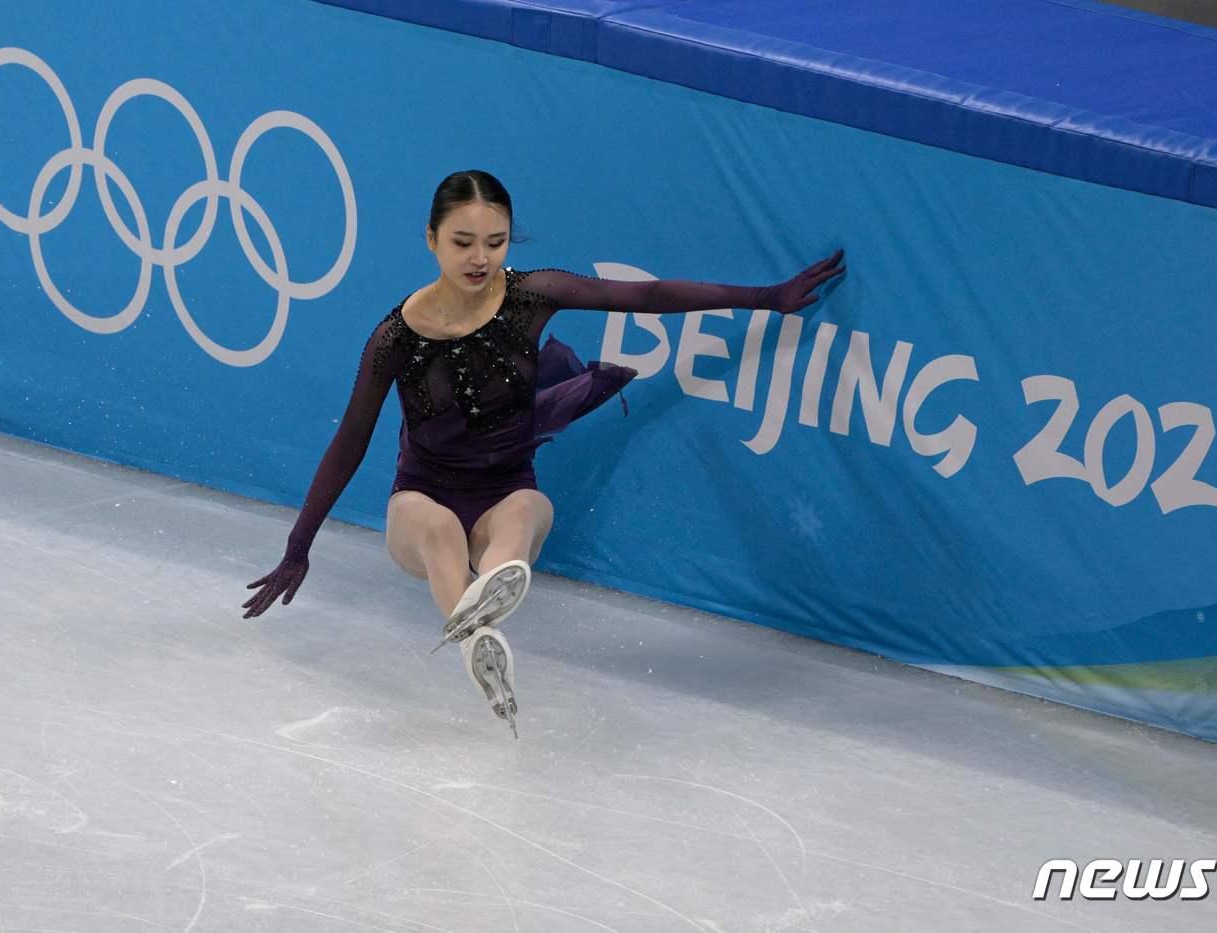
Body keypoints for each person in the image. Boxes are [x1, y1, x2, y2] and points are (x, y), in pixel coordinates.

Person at [243, 170, 844, 737]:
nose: (480, 258)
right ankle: (475, 634)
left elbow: (645, 294)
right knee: (440, 531)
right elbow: (351, 440)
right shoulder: (396, 337)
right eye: (463, 242)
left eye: (496, 241)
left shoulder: (532, 296)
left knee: (526, 512)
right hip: (421, 497)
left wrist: (766, 296)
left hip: (506, 488)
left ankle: (493, 594)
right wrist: (298, 548)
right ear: (431, 240)